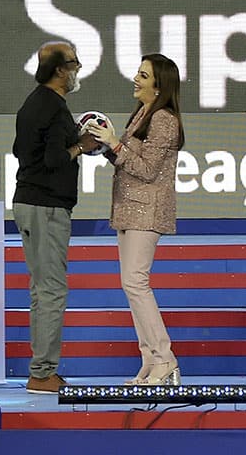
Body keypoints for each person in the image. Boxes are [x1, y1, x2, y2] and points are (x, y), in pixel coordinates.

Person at [86, 54, 183, 386]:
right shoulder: (143, 114)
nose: (136, 78)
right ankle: (149, 359)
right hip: (128, 209)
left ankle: (165, 358)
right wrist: (105, 143)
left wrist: (115, 143)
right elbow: (127, 160)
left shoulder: (164, 119)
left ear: (159, 86)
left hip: (147, 209)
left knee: (136, 283)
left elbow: (146, 169)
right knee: (131, 284)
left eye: (143, 75)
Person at [12, 41, 99, 394]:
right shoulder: (52, 107)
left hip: (30, 203)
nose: (77, 71)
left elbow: (22, 150)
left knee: (41, 290)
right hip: (46, 206)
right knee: (51, 291)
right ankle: (42, 372)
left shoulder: (34, 103)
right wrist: (81, 146)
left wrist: (72, 142)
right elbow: (52, 160)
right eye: (74, 65)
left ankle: (42, 368)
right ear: (60, 70)